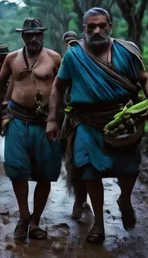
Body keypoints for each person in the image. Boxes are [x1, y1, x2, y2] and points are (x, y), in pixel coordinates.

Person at [46, 7, 148, 243]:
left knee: (129, 169)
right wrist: (53, 119)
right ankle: (98, 222)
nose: (97, 30)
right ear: (84, 28)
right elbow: (58, 86)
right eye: (91, 26)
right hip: (86, 122)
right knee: (88, 170)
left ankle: (124, 200)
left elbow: (144, 78)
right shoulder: (74, 55)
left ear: (110, 26)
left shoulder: (126, 51)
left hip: (123, 121)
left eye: (101, 25)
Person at [0, 18, 62, 241]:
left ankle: (36, 220)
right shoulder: (12, 58)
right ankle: (24, 216)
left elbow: (64, 86)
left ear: (43, 35)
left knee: (45, 174)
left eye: (37, 34)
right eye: (29, 34)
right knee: (17, 170)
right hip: (17, 119)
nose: (33, 38)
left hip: (46, 121)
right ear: (22, 36)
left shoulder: (55, 58)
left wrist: (58, 117)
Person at [60, 31, 93, 220]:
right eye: (67, 43)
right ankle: (79, 200)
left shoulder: (89, 57)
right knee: (72, 159)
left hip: (91, 113)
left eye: (73, 42)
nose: (70, 45)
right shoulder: (63, 60)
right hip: (71, 115)